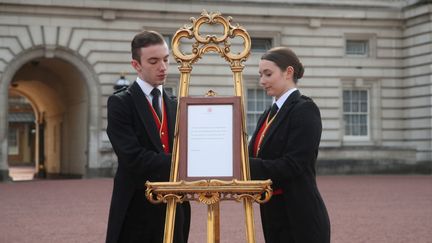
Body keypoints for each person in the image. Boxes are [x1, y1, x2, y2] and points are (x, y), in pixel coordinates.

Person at [105, 30, 190, 243]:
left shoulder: (176, 104)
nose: (162, 67)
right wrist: (185, 163)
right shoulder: (120, 103)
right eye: (153, 61)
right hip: (136, 206)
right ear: (136, 65)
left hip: (174, 204)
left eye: (165, 59)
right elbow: (132, 157)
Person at [249, 47, 330, 243]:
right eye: (260, 75)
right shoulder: (268, 113)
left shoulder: (305, 109)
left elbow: (294, 164)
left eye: (268, 74)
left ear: (288, 72)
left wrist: (243, 165)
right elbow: (254, 155)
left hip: (300, 214)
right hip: (272, 213)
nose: (262, 81)